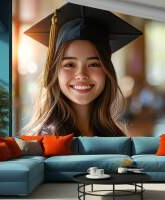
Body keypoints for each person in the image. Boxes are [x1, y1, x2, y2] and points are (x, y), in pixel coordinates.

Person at [23, 3, 142, 136]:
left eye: (94, 64)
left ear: (107, 71)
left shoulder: (116, 138)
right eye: (69, 64)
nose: (81, 74)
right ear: (54, 72)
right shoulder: (44, 142)